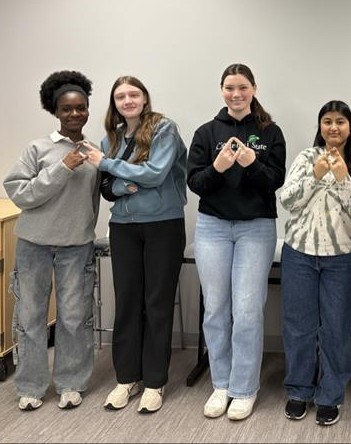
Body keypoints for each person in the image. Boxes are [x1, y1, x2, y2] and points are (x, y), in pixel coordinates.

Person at [187, 63, 286, 421]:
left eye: (242, 87)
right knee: (215, 309)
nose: (236, 94)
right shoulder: (205, 132)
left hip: (255, 229)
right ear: (222, 90)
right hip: (212, 227)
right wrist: (218, 167)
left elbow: (275, 181)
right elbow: (195, 184)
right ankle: (221, 385)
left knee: (246, 310)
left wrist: (250, 162)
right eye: (230, 87)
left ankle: (244, 389)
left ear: (254, 89)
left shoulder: (269, 132)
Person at [83, 76, 187, 414]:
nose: (128, 100)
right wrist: (125, 184)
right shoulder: (109, 138)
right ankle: (127, 379)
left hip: (162, 226)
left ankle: (154, 383)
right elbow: (107, 189)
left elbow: (156, 173)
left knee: (156, 304)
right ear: (114, 103)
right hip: (123, 227)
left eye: (134, 94)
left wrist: (110, 166)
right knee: (127, 303)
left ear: (144, 98)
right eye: (120, 96)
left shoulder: (163, 129)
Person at [3, 70, 99, 411]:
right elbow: (20, 193)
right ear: (55, 111)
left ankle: (71, 383)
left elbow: (97, 196)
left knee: (74, 317)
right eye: (67, 109)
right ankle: (30, 386)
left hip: (77, 245)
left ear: (88, 109)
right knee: (31, 317)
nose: (74, 114)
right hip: (34, 244)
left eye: (81, 108)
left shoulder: (95, 150)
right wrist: (63, 167)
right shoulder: (38, 148)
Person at [278, 100, 351, 426]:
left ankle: (330, 395)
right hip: (300, 254)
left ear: (350, 126)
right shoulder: (306, 157)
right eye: (327, 121)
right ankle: (299, 390)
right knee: (298, 327)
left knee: (337, 329)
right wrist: (315, 176)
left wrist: (345, 180)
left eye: (340, 122)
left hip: (343, 258)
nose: (333, 128)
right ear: (320, 126)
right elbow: (287, 201)